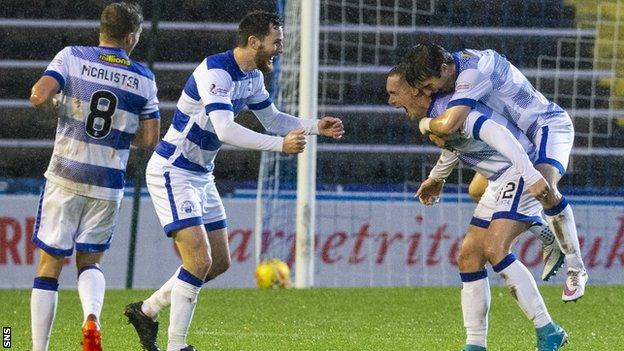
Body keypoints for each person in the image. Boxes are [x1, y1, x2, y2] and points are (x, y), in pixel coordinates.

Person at [123, 10, 344, 351]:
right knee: (198, 261)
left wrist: (315, 127)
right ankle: (176, 345)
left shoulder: (253, 76)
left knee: (219, 262)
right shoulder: (217, 72)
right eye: (276, 42)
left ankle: (146, 311)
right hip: (173, 169)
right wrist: (279, 147)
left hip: (200, 174)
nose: (279, 49)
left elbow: (271, 119)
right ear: (254, 42)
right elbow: (225, 129)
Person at [386, 65, 568, 351]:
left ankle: (549, 330)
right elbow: (455, 145)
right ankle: (475, 344)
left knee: (496, 249)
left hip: (518, 170)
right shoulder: (437, 115)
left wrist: (532, 176)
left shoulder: (454, 112)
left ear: (416, 90)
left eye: (394, 93)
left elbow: (500, 136)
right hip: (499, 178)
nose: (391, 101)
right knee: (469, 257)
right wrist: (437, 177)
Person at [401, 43, 588, 302]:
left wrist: (424, 123)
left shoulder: (471, 73)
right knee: (477, 190)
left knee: (544, 186)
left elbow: (451, 124)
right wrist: (437, 177)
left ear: (445, 67)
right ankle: (545, 233)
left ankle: (576, 268)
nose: (430, 93)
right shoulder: (455, 74)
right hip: (517, 137)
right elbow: (460, 136)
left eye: (430, 85)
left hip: (546, 125)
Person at [28, 3, 159, 351]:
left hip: (66, 175)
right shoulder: (144, 78)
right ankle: (92, 319)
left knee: (49, 264)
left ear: (102, 30)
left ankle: (37, 348)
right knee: (90, 261)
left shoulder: (72, 57)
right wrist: (120, 128)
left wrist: (56, 109)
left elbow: (39, 95)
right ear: (131, 37)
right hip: (108, 183)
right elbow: (149, 139)